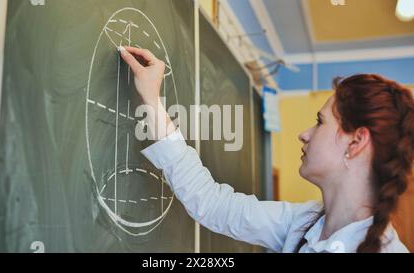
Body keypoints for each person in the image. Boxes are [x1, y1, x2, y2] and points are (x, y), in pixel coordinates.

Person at [118, 46, 414, 253]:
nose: (304, 134)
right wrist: (152, 102)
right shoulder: (304, 223)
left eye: (320, 122)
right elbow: (211, 203)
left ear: (356, 142)